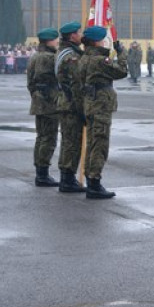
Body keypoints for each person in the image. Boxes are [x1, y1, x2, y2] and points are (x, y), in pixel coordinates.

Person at [76, 25, 129, 199]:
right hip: (100, 106)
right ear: (97, 41)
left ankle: (92, 181)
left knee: (93, 143)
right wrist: (121, 53)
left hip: (90, 105)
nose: (105, 41)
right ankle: (94, 183)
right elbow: (121, 71)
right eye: (103, 38)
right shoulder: (98, 61)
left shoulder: (85, 58)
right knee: (100, 145)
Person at [54, 21, 87, 193]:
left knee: (69, 141)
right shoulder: (71, 56)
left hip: (66, 103)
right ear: (72, 36)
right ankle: (67, 179)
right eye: (79, 32)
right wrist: (82, 109)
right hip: (71, 105)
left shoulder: (66, 52)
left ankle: (67, 178)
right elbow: (75, 86)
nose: (81, 34)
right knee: (71, 142)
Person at [27, 27, 61, 187]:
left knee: (41, 137)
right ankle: (42, 174)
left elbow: (30, 83)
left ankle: (40, 172)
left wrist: (36, 96)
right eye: (55, 39)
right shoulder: (49, 57)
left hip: (39, 102)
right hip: (49, 103)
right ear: (49, 41)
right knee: (48, 138)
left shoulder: (35, 56)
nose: (58, 42)